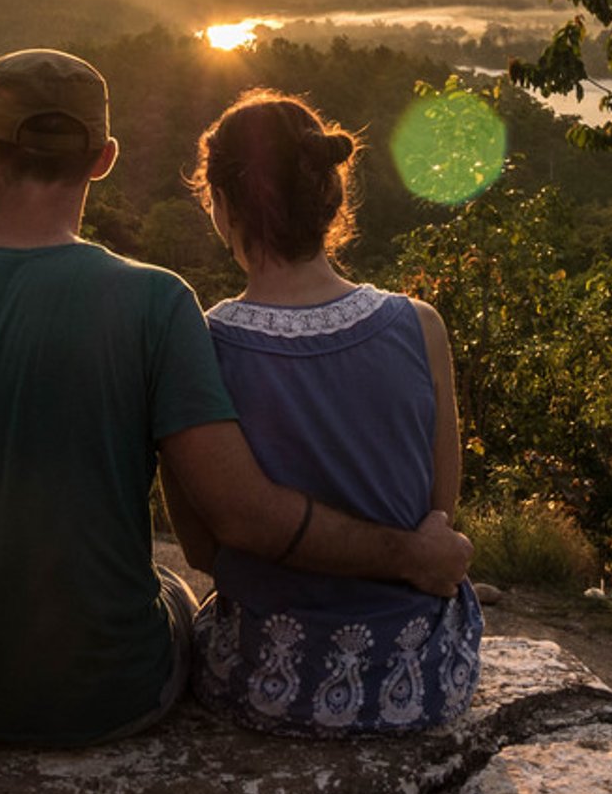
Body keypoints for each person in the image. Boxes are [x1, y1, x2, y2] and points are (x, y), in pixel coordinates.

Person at [0, 49, 470, 747]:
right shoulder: (155, 303)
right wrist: (413, 555)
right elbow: (245, 517)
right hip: (105, 693)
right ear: (104, 157)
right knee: (166, 591)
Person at [163, 89, 482, 735]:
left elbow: (202, 548)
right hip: (420, 681)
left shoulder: (202, 346)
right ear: (330, 200)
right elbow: (438, 514)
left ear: (221, 207)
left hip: (265, 683)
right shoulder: (420, 326)